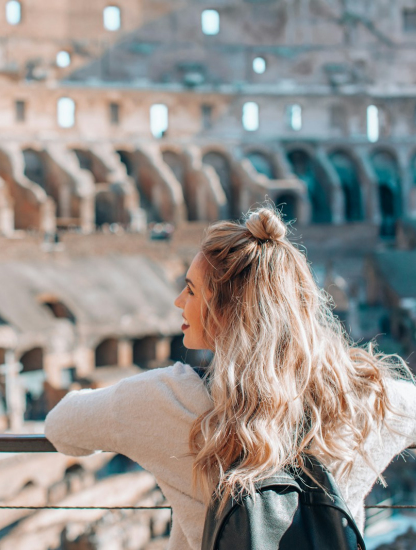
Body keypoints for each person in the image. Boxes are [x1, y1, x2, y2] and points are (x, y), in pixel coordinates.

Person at [44, 207, 416, 550]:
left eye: (190, 289)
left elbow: (61, 425)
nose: (178, 301)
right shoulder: (366, 399)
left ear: (223, 311)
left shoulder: (168, 400)